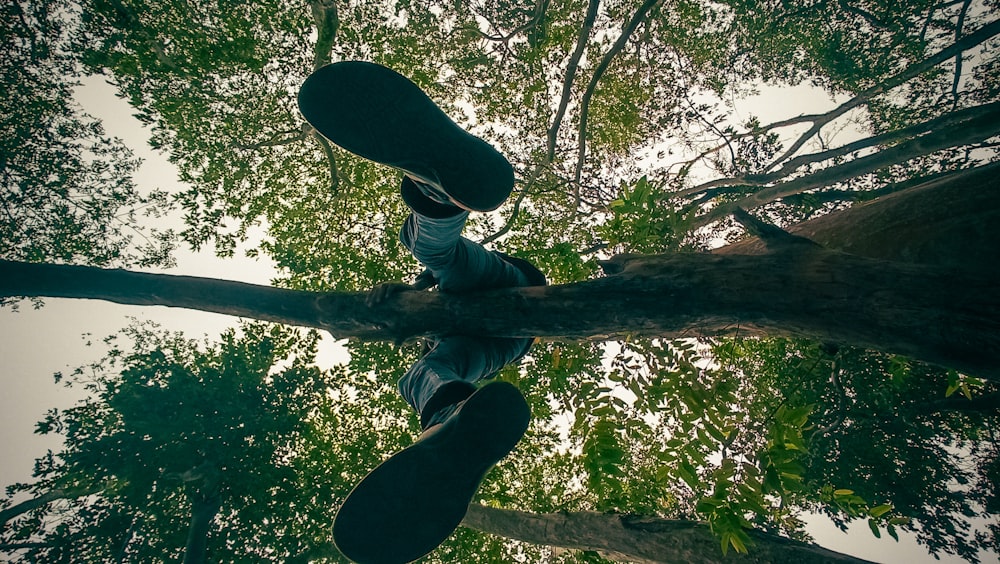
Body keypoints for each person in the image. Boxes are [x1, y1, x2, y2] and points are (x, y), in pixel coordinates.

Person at [297, 61, 546, 564]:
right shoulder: (443, 337)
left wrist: (408, 296)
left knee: (435, 278)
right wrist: (414, 299)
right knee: (434, 298)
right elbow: (433, 307)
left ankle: (439, 188)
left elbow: (432, 291)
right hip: (497, 328)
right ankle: (452, 416)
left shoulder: (434, 321)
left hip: (498, 302)